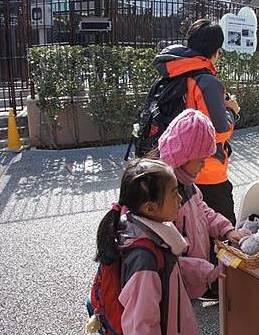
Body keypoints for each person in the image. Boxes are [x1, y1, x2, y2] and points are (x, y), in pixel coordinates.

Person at [94, 158, 219, 335]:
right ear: (150, 208)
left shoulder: (150, 234)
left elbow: (170, 269)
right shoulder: (144, 261)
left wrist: (209, 272)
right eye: (174, 193)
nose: (180, 198)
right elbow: (142, 325)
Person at [155, 109, 249, 300]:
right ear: (182, 156)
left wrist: (227, 230)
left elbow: (204, 212)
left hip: (192, 277)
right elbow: (165, 256)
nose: (203, 165)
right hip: (174, 281)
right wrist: (204, 270)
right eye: (201, 160)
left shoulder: (188, 184)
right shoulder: (165, 196)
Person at [153, 19, 239, 224]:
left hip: (178, 169)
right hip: (207, 171)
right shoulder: (207, 82)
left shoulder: (173, 73)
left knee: (189, 230)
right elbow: (218, 132)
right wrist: (232, 111)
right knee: (224, 233)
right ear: (217, 51)